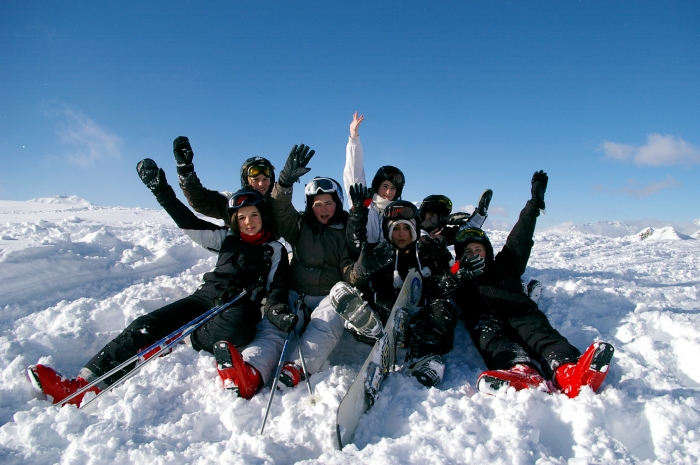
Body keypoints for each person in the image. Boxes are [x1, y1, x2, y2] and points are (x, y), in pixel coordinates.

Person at [27, 163, 296, 404]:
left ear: (263, 216)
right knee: (143, 326)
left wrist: (275, 309)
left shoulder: (274, 249)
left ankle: (182, 340)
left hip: (239, 306)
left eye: (254, 216)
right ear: (235, 221)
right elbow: (188, 221)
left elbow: (277, 288)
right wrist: (161, 191)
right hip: (203, 299)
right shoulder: (226, 239)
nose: (248, 223)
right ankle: (81, 386)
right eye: (242, 217)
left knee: (238, 326)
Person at [440, 171, 614, 397]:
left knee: (542, 334)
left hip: (520, 311)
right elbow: (442, 287)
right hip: (485, 319)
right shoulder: (460, 277)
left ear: (488, 252)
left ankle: (568, 370)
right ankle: (521, 372)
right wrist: (458, 274)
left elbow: (519, 237)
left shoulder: (505, 264)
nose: (475, 254)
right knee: (493, 342)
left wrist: (533, 205)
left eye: (479, 249)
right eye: (469, 252)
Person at [265, 144, 381, 389]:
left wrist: (361, 270)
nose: (323, 209)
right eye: (317, 204)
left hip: (329, 296)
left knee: (326, 325)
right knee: (274, 328)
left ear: (337, 203)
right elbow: (280, 210)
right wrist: (284, 182)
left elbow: (349, 270)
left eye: (328, 203)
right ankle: (253, 367)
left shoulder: (346, 229)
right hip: (296, 293)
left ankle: (297, 367)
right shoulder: (299, 226)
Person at [329, 200, 458, 387]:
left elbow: (442, 287)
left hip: (419, 322)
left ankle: (422, 356)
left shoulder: (426, 252)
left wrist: (442, 257)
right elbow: (358, 273)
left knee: (445, 308)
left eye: (407, 228)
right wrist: (364, 269)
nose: (402, 233)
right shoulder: (379, 252)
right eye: (396, 229)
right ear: (388, 231)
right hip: (384, 316)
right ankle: (370, 326)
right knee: (344, 292)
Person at [172, 136, 276, 227]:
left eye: (265, 179)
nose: (261, 184)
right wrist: (185, 171)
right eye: (255, 180)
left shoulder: (277, 206)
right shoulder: (233, 202)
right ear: (246, 181)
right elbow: (201, 201)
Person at [343, 112, 407, 256]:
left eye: (393, 188)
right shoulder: (364, 204)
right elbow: (354, 174)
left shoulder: (398, 212)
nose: (389, 192)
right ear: (377, 186)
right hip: (361, 261)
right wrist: (354, 138)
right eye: (385, 186)